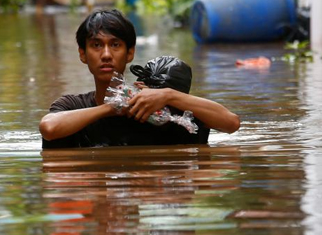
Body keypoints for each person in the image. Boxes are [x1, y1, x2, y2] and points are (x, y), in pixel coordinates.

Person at [39, 9, 240, 149]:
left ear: (130, 54)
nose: (106, 54)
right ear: (83, 54)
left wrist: (168, 95)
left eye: (115, 45)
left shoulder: (153, 105)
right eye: (97, 45)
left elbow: (231, 123)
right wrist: (112, 107)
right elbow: (49, 128)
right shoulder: (72, 105)